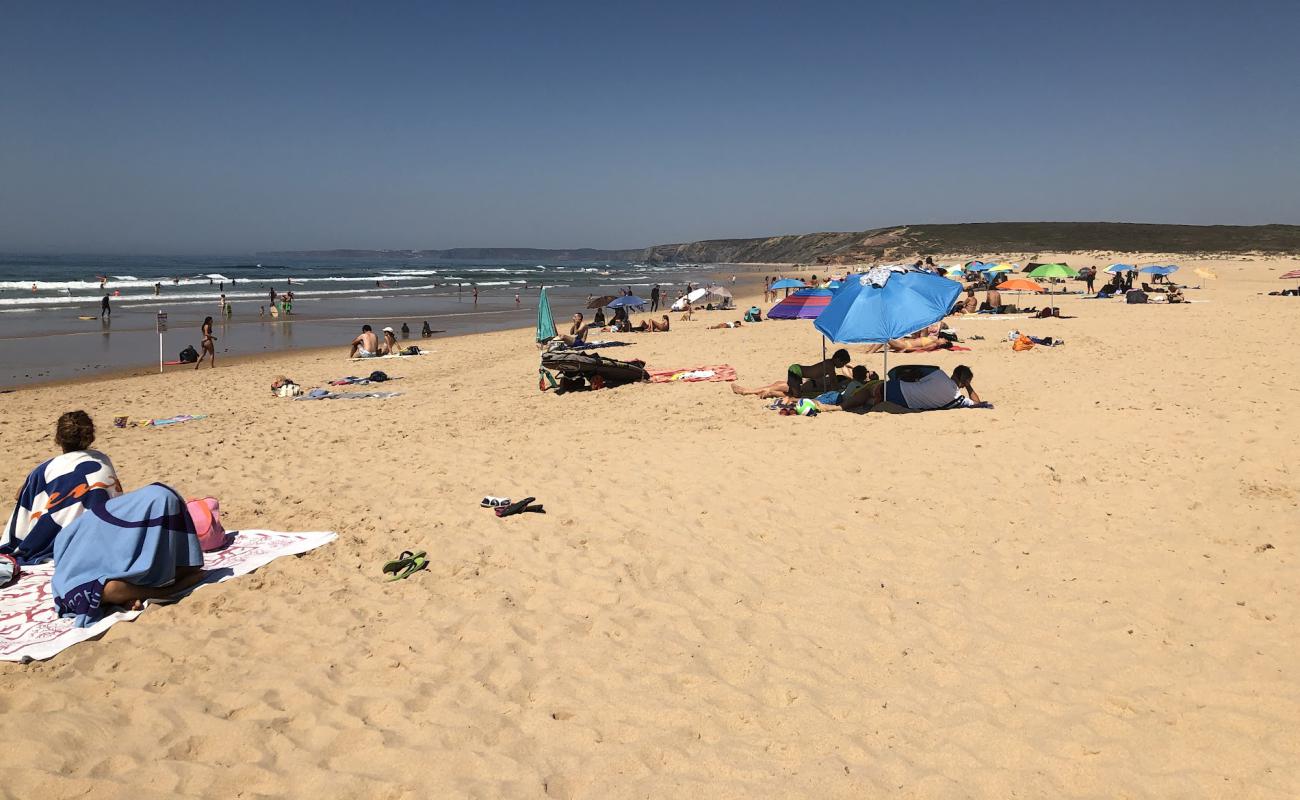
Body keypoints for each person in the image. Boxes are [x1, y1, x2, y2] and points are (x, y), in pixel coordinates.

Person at [51, 481, 207, 627]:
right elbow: (110, 588)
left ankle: (130, 594)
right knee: (108, 590)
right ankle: (163, 591)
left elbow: (191, 566)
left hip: (104, 537)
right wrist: (174, 588)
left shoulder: (151, 513)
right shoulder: (146, 514)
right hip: (75, 553)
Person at [2, 411, 123, 565]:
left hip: (60, 543)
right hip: (101, 538)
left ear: (58, 439)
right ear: (90, 437)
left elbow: (22, 497)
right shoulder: (102, 460)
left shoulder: (44, 470)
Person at [847, 365, 982, 412]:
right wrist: (969, 386)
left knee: (871, 390)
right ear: (965, 382)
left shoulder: (938, 374)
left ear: (953, 373)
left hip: (895, 388)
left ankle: (843, 405)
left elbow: (913, 376)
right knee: (871, 398)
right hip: (904, 403)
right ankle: (868, 402)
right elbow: (978, 404)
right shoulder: (957, 398)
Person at [732, 349, 851, 399]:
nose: (842, 366)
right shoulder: (830, 365)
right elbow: (835, 383)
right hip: (797, 372)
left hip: (796, 369)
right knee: (796, 396)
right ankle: (764, 392)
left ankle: (747, 390)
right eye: (843, 363)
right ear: (838, 360)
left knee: (782, 386)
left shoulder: (829, 363)